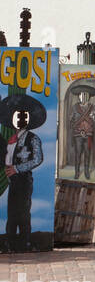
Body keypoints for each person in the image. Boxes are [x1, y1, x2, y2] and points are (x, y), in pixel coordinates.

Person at [3, 94, 47, 253]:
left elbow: (38, 158)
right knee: (12, 211)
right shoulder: (12, 139)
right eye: (17, 116)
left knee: (22, 212)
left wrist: (17, 168)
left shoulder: (33, 138)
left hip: (23, 179)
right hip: (13, 180)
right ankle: (11, 243)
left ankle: (24, 242)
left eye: (23, 117)